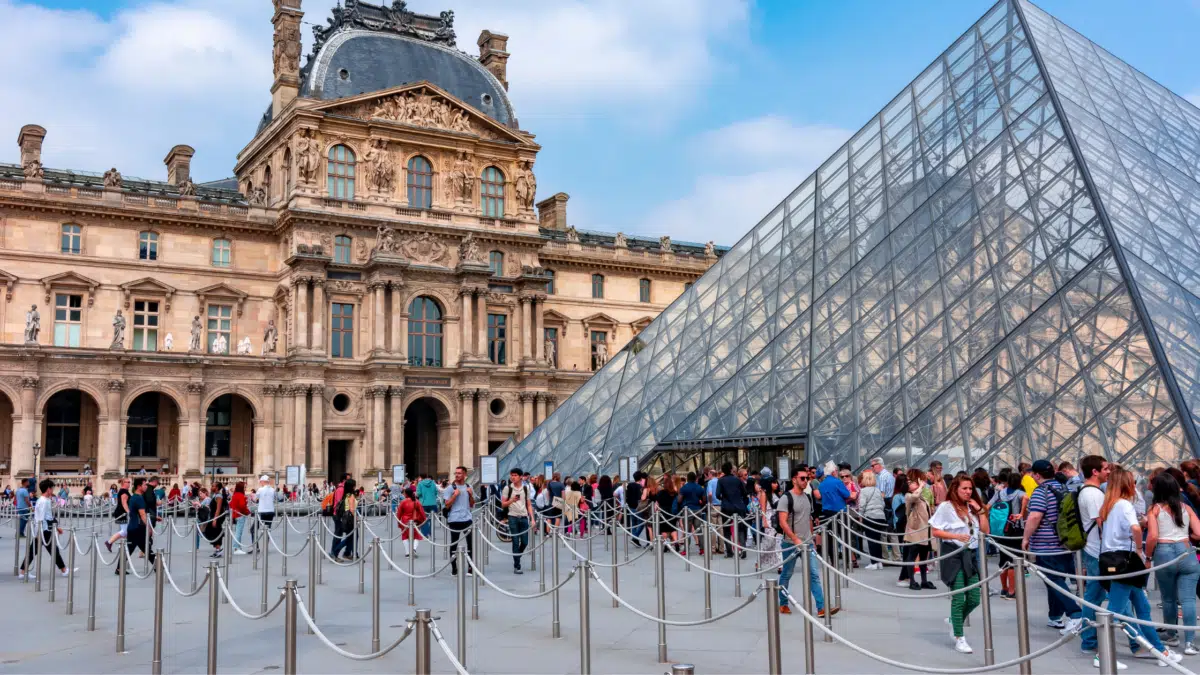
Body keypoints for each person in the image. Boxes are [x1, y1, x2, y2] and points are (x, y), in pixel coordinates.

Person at [1099, 467, 1183, 666]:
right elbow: (1135, 528)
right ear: (1127, 484)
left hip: (1113, 559)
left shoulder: (1109, 505)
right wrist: (1138, 548)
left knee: (1142, 607)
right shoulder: (1124, 505)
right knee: (1115, 611)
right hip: (1125, 561)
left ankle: (1159, 650)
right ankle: (1103, 655)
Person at [930, 475, 989, 654]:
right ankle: (959, 636)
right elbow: (935, 531)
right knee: (958, 597)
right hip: (953, 556)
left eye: (970, 489)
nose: (968, 492)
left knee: (974, 598)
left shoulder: (972, 508)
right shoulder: (946, 507)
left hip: (970, 556)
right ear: (955, 489)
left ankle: (954, 620)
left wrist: (980, 511)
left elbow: (986, 531)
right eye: (964, 488)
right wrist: (955, 536)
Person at [1021, 459, 1081, 633]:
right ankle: (1055, 616)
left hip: (1045, 544)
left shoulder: (1041, 491)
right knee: (1055, 581)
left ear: (1037, 475)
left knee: (1053, 581)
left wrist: (1026, 537)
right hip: (1065, 542)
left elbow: (1034, 517)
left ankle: (1075, 614)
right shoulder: (1066, 487)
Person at [1146, 473, 1200, 654]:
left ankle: (1172, 635)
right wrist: (1187, 537)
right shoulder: (1186, 508)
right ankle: (1190, 643)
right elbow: (1199, 533)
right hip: (1187, 552)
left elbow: (1152, 536)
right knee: (1189, 599)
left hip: (1164, 552)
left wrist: (1147, 556)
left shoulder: (1154, 509)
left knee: (1168, 598)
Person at [776, 467, 834, 617]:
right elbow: (783, 522)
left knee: (813, 574)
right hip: (790, 542)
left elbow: (808, 518)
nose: (805, 481)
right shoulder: (786, 498)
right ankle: (783, 603)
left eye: (807, 478)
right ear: (794, 479)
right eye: (802, 478)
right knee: (787, 574)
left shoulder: (808, 497)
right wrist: (795, 538)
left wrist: (812, 538)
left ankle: (821, 607)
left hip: (807, 542)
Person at [18, 479, 73, 579]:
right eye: (52, 488)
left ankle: (23, 572)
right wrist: (40, 533)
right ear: (48, 489)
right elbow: (41, 517)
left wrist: (57, 527)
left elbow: (49, 516)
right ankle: (64, 570)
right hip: (43, 530)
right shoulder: (43, 501)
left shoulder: (45, 500)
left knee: (34, 551)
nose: (52, 490)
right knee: (52, 550)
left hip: (44, 529)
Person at [989, 472, 1026, 599]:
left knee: (1003, 560)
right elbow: (1028, 501)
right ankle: (1012, 591)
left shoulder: (1000, 493)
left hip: (1001, 530)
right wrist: (1021, 512)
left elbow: (988, 506)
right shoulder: (1020, 494)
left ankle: (1004, 588)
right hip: (1015, 529)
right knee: (1014, 560)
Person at [900, 469, 935, 590]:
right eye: (909, 483)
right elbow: (915, 496)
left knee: (924, 557)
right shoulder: (909, 496)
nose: (910, 484)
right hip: (915, 532)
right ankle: (912, 580)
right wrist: (920, 486)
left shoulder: (922, 498)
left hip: (924, 531)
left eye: (912, 482)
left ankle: (924, 580)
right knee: (912, 556)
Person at [444, 466, 475, 576]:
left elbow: (472, 504)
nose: (457, 475)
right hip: (454, 519)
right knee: (454, 544)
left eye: (459, 473)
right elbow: (447, 505)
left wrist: (470, 494)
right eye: (455, 473)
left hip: (467, 519)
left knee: (470, 544)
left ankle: (471, 567)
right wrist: (454, 496)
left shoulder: (469, 486)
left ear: (465, 475)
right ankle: (454, 568)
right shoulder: (450, 488)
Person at [501, 468, 532, 574]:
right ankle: (517, 565)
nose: (512, 477)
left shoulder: (526, 488)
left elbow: (529, 504)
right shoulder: (507, 488)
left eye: (515, 475)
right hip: (512, 517)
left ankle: (517, 556)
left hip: (523, 517)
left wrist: (531, 518)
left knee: (524, 542)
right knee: (515, 541)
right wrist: (511, 500)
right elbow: (503, 504)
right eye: (511, 475)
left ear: (520, 476)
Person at [716, 462, 749, 558]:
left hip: (726, 507)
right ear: (731, 469)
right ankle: (743, 550)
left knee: (726, 530)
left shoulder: (721, 481)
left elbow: (717, 494)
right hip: (739, 506)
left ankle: (729, 551)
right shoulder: (738, 480)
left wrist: (723, 498)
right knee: (741, 529)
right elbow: (745, 493)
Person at [856, 470, 887, 570]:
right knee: (877, 540)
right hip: (880, 517)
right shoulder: (877, 490)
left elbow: (862, 506)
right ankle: (879, 561)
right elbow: (883, 504)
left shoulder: (864, 491)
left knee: (871, 540)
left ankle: (873, 562)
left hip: (870, 516)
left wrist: (861, 516)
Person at [126, 477, 156, 566]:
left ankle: (119, 568)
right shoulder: (139, 498)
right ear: (139, 486)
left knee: (130, 548)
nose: (146, 486)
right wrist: (149, 527)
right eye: (144, 484)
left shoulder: (134, 497)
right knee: (147, 548)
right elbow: (142, 515)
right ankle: (158, 566)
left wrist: (155, 517)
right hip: (138, 527)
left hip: (132, 526)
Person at [677, 472, 706, 554]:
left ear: (687, 478)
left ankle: (686, 550)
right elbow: (704, 499)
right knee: (699, 530)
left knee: (687, 531)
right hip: (697, 510)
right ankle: (702, 549)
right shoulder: (699, 487)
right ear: (695, 478)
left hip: (687, 510)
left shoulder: (684, 488)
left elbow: (679, 500)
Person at [330, 478, 358, 561]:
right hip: (350, 519)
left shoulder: (346, 495)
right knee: (351, 537)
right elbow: (352, 509)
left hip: (345, 518)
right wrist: (357, 518)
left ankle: (348, 553)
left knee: (352, 537)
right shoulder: (351, 496)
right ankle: (335, 552)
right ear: (352, 486)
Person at [396, 484, 427, 558]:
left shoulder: (403, 502)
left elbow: (399, 513)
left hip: (405, 521)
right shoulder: (416, 501)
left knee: (405, 536)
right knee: (416, 536)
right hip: (415, 521)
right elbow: (422, 512)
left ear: (406, 494)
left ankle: (407, 553)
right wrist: (424, 520)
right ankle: (414, 549)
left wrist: (398, 522)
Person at [104, 477, 132, 553]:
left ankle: (126, 544)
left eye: (129, 482)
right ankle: (109, 542)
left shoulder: (124, 491)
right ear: (123, 483)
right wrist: (129, 512)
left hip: (122, 512)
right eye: (128, 482)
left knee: (126, 531)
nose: (129, 483)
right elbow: (124, 503)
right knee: (124, 531)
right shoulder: (124, 492)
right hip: (122, 513)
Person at [415, 474, 439, 541]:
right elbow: (436, 492)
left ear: (421, 477)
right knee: (431, 520)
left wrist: (416, 494)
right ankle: (431, 533)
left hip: (423, 503)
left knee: (423, 520)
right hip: (433, 503)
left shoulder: (420, 484)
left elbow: (419, 493)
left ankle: (425, 534)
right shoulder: (433, 483)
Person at [230, 481, 250, 555]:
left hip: (235, 514)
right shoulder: (241, 495)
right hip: (240, 515)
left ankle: (237, 547)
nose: (245, 488)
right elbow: (242, 506)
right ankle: (236, 548)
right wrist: (247, 512)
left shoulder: (235, 495)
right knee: (239, 532)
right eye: (244, 487)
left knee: (237, 531)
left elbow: (231, 504)